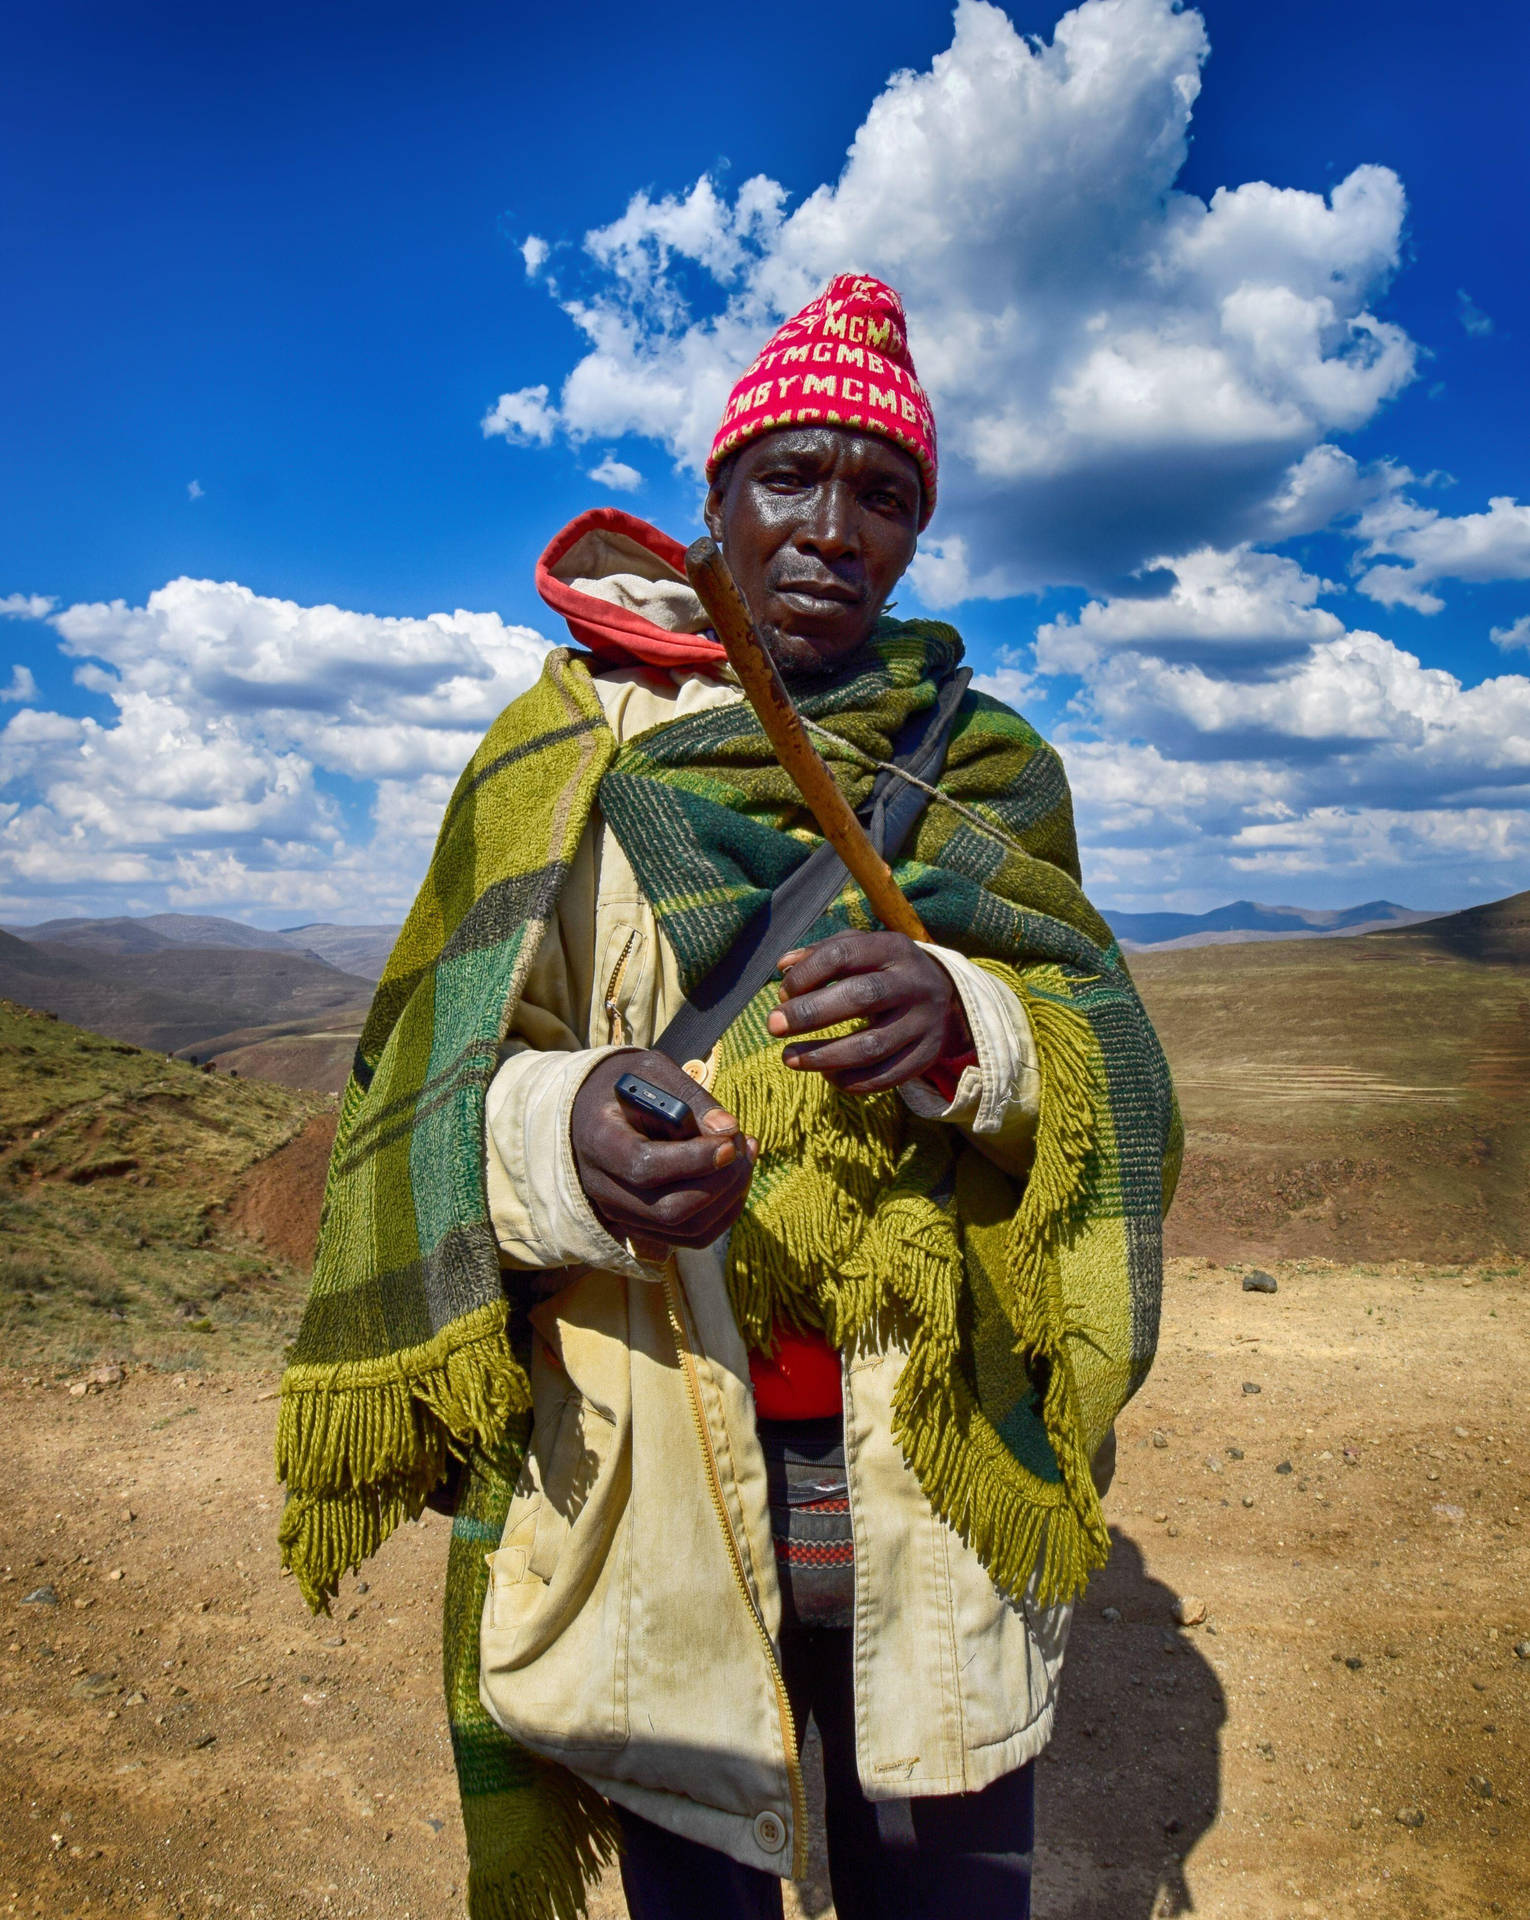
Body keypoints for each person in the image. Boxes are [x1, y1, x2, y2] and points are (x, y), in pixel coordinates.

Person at [279, 275, 1179, 1920]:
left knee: (946, 1891)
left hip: (934, 1457)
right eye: (790, 478)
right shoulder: (560, 755)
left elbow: (1108, 1051)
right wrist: (566, 1135)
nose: (831, 528)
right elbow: (421, 1084)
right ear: (711, 502)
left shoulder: (983, 767)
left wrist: (967, 1022)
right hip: (652, 1463)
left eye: (883, 493)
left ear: (916, 533)